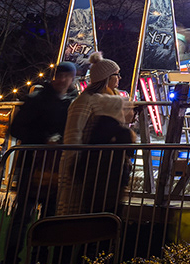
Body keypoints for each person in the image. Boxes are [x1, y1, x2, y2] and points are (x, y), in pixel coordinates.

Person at [0, 62, 77, 264]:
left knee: (48, 218)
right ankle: (10, 262)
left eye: (67, 76)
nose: (62, 80)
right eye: (59, 75)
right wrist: (44, 138)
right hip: (32, 165)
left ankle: (38, 262)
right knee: (22, 216)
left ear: (72, 79)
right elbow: (15, 128)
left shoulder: (72, 102)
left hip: (56, 167)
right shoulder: (37, 99)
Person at [57, 57, 133, 215]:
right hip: (89, 167)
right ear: (106, 78)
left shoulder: (115, 101)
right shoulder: (85, 101)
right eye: (116, 74)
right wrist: (72, 166)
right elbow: (74, 134)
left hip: (109, 168)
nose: (119, 78)